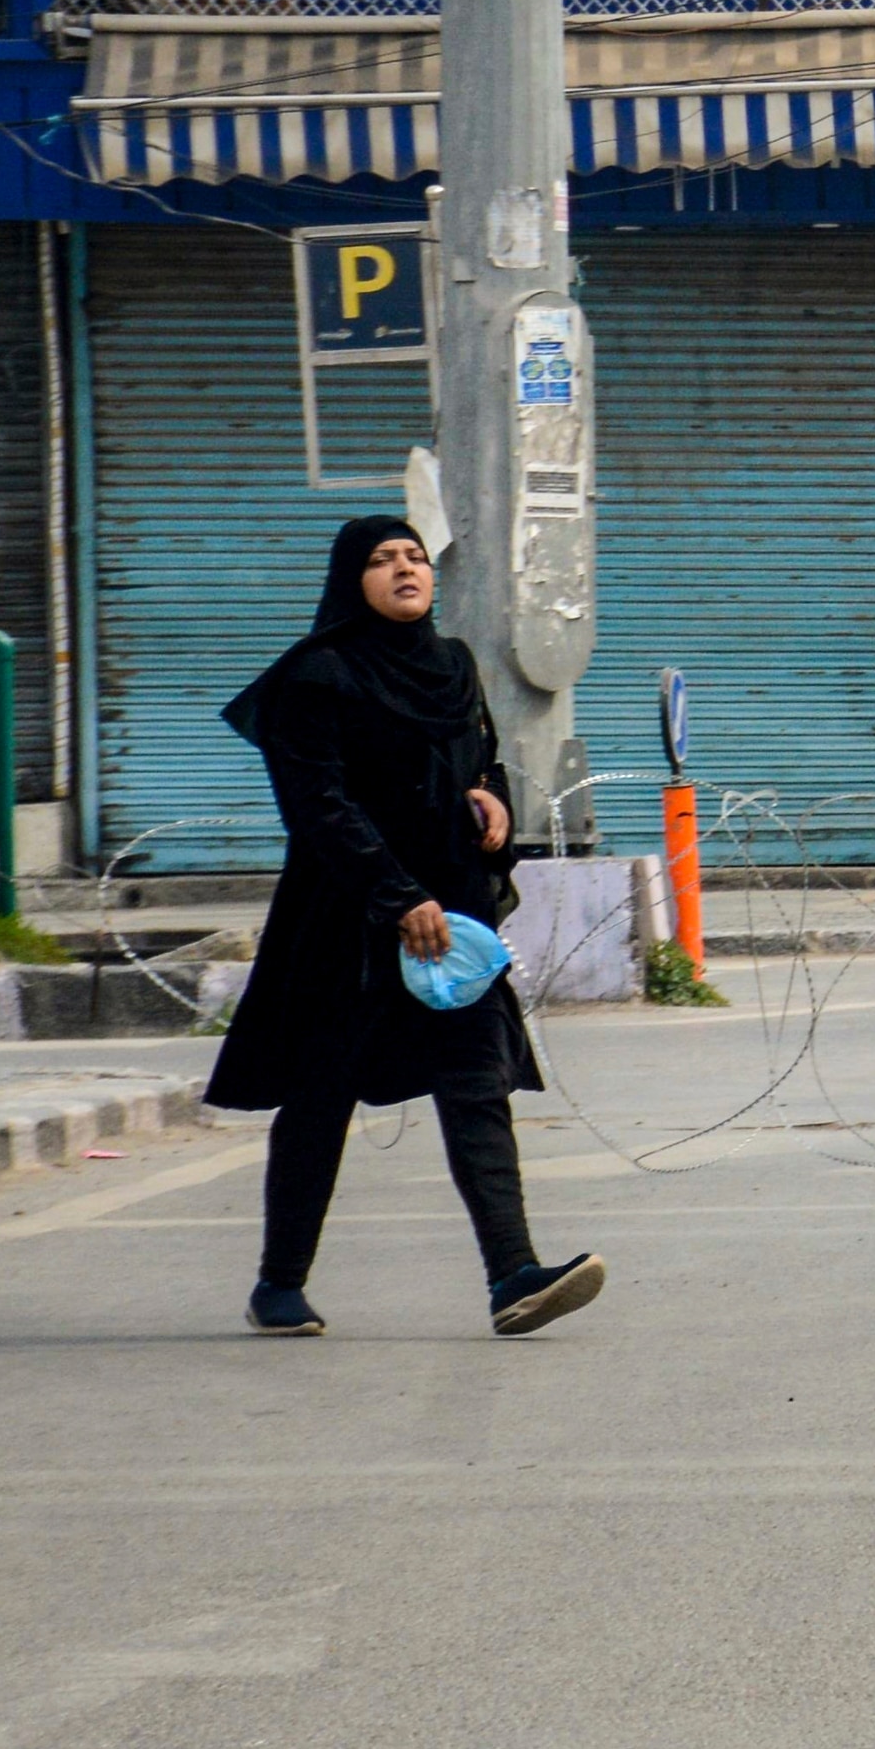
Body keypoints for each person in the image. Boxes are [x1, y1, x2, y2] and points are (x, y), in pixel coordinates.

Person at [202, 519, 605, 1339]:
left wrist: (491, 799)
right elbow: (319, 804)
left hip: (449, 915)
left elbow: (478, 759)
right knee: (320, 1098)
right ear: (351, 580)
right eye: (382, 560)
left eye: (415, 557)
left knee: (476, 1083)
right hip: (345, 922)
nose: (404, 569)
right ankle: (279, 1283)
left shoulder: (452, 665)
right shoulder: (317, 676)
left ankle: (513, 1275)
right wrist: (394, 896)